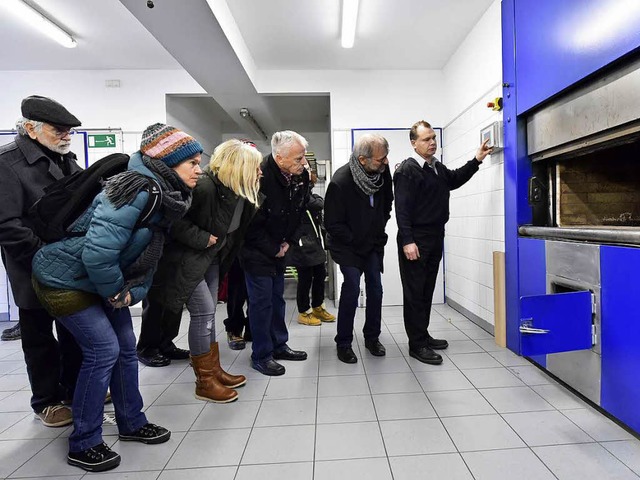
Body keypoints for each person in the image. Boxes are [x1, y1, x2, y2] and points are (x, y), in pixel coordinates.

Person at [31, 123, 202, 472]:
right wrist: (116, 294)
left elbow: (145, 258)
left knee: (126, 346)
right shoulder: (135, 190)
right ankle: (84, 442)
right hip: (62, 280)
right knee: (103, 350)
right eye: (192, 163)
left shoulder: (165, 196)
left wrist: (129, 294)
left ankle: (132, 422)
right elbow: (97, 254)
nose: (199, 170)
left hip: (98, 282)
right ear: (169, 164)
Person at [146, 139, 261, 402]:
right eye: (255, 168)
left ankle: (213, 370)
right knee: (204, 313)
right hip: (186, 259)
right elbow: (174, 223)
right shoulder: (205, 187)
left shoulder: (234, 190)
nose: (259, 172)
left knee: (208, 315)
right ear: (239, 166)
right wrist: (203, 238)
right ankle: (205, 382)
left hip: (209, 259)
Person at [0, 95, 83, 427]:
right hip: (31, 266)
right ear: (31, 129)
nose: (65, 136)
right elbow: (6, 225)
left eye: (69, 131)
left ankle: (75, 388)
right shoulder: (7, 163)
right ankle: (46, 401)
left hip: (69, 265)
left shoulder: (67, 159)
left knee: (74, 332)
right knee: (38, 337)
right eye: (58, 129)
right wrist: (46, 258)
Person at [394, 120, 493, 365]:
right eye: (426, 139)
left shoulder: (435, 167)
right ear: (413, 143)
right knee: (415, 292)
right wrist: (408, 240)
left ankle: (423, 335)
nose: (432, 143)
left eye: (433, 138)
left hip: (435, 236)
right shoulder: (408, 170)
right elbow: (402, 209)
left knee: (426, 290)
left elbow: (455, 179)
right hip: (416, 240)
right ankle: (416, 345)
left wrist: (477, 160)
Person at [239, 131, 310, 376]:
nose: (304, 163)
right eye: (298, 158)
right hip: (256, 250)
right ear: (279, 157)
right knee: (261, 303)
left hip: (282, 247)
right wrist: (273, 248)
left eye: (303, 158)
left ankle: (279, 345)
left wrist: (289, 242)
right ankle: (261, 355)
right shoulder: (259, 176)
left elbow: (301, 211)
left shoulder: (301, 176)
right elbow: (249, 224)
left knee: (277, 300)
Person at [324, 134, 393, 364]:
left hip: (372, 243)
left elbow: (387, 201)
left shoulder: (382, 173)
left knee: (376, 289)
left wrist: (380, 225)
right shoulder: (340, 181)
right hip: (348, 246)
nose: (385, 163)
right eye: (380, 159)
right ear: (363, 160)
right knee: (352, 288)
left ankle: (372, 338)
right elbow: (333, 223)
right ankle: (343, 342)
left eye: (385, 158)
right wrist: (356, 238)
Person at [287, 169, 335, 326]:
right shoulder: (295, 194)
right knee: (305, 279)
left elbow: (319, 203)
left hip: (314, 241)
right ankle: (303, 312)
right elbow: (316, 203)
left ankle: (317, 307)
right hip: (301, 243)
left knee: (320, 274)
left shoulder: (307, 193)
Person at [223, 257, 251, 350]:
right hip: (236, 249)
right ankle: (235, 329)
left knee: (256, 293)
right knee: (236, 291)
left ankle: (251, 328)